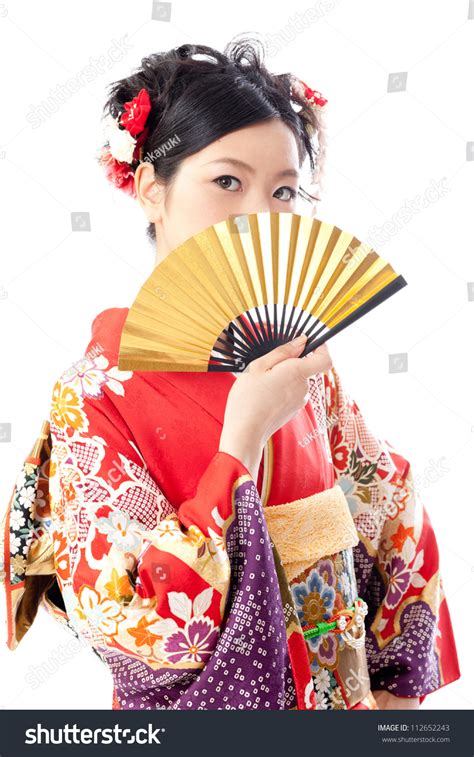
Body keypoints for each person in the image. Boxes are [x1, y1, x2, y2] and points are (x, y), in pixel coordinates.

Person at [1, 35, 460, 711]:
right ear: (151, 189)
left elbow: (388, 502)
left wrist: (395, 689)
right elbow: (141, 629)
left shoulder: (295, 361)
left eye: (283, 190)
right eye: (226, 181)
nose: (259, 214)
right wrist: (238, 447)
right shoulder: (95, 395)